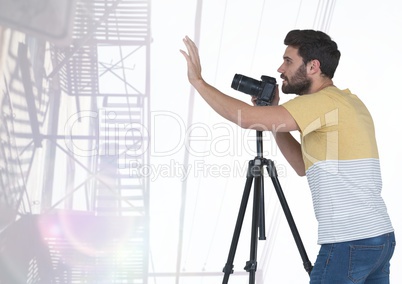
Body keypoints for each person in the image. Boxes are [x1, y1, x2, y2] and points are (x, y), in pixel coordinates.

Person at [181, 29, 395, 283]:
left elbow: (247, 119)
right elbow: (301, 165)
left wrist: (198, 82)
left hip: (348, 241)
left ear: (313, 66)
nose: (280, 68)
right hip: (378, 238)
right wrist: (273, 112)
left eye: (289, 61)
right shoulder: (345, 101)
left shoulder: (321, 102)